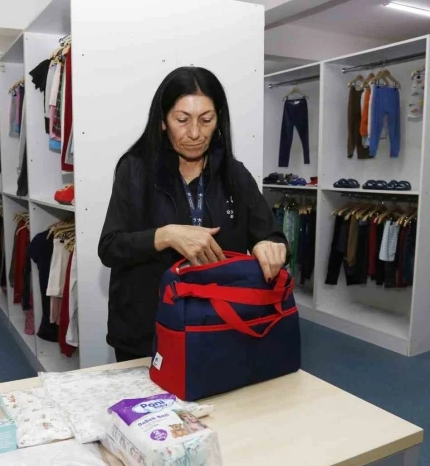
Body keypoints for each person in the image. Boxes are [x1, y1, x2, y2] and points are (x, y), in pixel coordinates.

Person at [98, 66, 288, 362]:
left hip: (217, 325)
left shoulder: (234, 174)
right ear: (163, 121)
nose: (195, 133)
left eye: (206, 120)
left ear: (218, 120)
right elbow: (110, 248)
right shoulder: (134, 170)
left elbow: (272, 235)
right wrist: (166, 236)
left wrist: (270, 245)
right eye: (182, 120)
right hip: (146, 331)